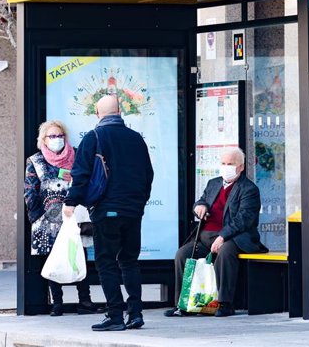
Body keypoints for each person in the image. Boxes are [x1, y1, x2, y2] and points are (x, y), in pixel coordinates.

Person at [64, 94, 154, 332]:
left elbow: (81, 172)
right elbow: (148, 174)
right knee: (130, 261)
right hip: (133, 211)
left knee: (106, 262)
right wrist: (139, 203)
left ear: (97, 112)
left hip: (107, 210)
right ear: (119, 112)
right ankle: (135, 313)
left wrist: (71, 201)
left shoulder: (93, 137)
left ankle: (115, 315)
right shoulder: (136, 139)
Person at [165, 147, 267, 318]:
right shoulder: (213, 183)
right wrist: (199, 206)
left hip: (234, 238)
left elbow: (243, 219)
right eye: (223, 163)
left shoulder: (249, 189)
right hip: (206, 236)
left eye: (230, 164)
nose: (226, 167)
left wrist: (222, 236)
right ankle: (184, 304)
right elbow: (202, 200)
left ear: (240, 167)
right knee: (183, 254)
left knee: (225, 252)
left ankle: (224, 303)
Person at [24, 120, 100, 316]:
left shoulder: (76, 155)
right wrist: (37, 216)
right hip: (47, 221)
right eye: (52, 136)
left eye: (60, 136)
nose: (57, 139)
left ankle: (85, 300)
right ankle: (57, 302)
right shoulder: (36, 161)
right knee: (54, 259)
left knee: (78, 256)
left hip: (74, 217)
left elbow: (86, 181)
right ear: (43, 140)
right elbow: (30, 191)